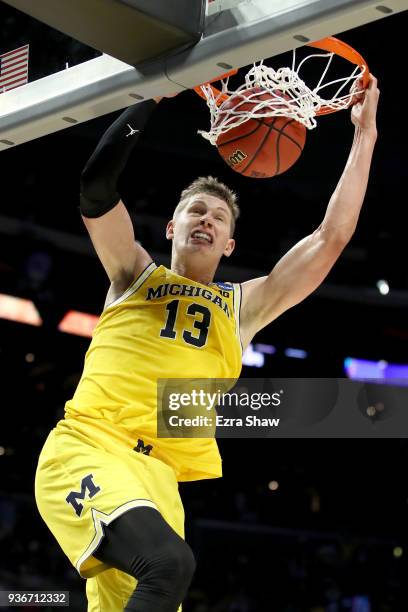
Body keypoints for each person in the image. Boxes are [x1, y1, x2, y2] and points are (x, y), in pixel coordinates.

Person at [34, 74, 380, 611]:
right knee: (169, 565)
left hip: (160, 481)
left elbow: (330, 237)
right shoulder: (132, 274)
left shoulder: (245, 308)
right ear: (171, 228)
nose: (206, 219)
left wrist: (364, 136)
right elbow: (96, 189)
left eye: (218, 216)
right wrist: (153, 92)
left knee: (158, 583)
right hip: (89, 446)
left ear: (229, 242)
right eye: (195, 211)